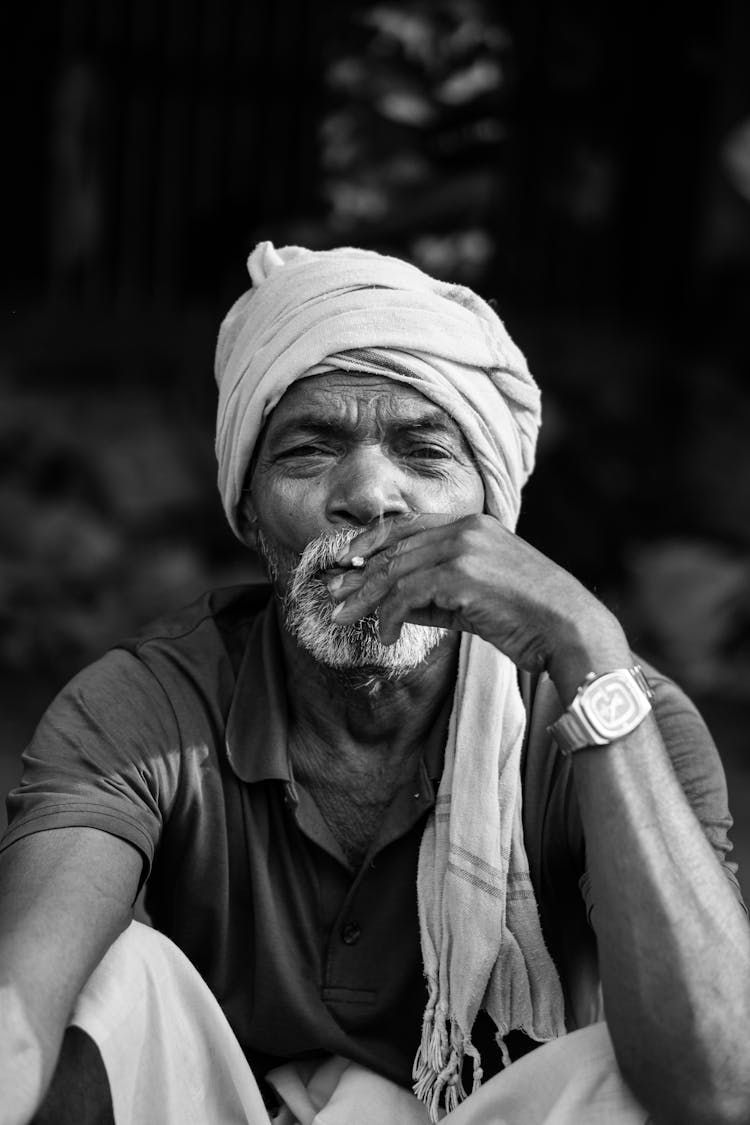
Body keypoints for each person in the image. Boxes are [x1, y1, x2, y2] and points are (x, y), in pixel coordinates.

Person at [1, 241, 749, 1125]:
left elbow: (721, 1084)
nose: (368, 496)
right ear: (246, 507)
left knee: (624, 1073)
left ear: (491, 510)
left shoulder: (622, 711)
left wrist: (587, 647)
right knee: (119, 981)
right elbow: (19, 1012)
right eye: (311, 451)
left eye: (423, 453)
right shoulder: (144, 708)